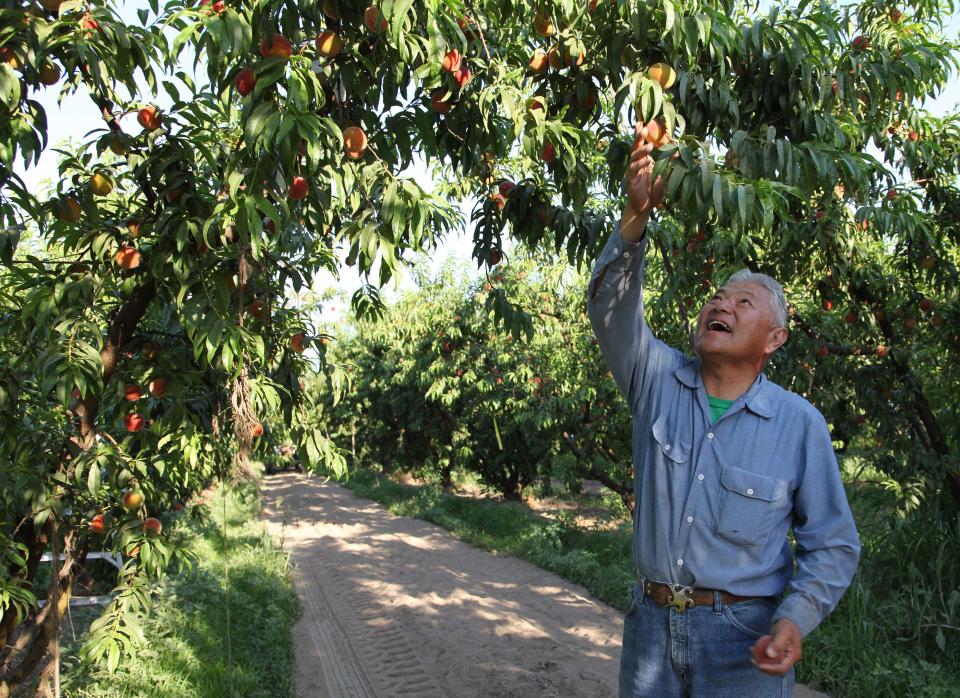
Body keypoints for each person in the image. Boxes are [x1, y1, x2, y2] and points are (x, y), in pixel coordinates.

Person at [587, 122, 861, 697]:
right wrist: (635, 220)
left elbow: (833, 542)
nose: (722, 303)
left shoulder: (797, 424)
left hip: (743, 637)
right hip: (650, 630)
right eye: (717, 296)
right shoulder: (656, 379)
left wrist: (794, 619)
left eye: (744, 302)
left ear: (774, 339)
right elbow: (612, 312)